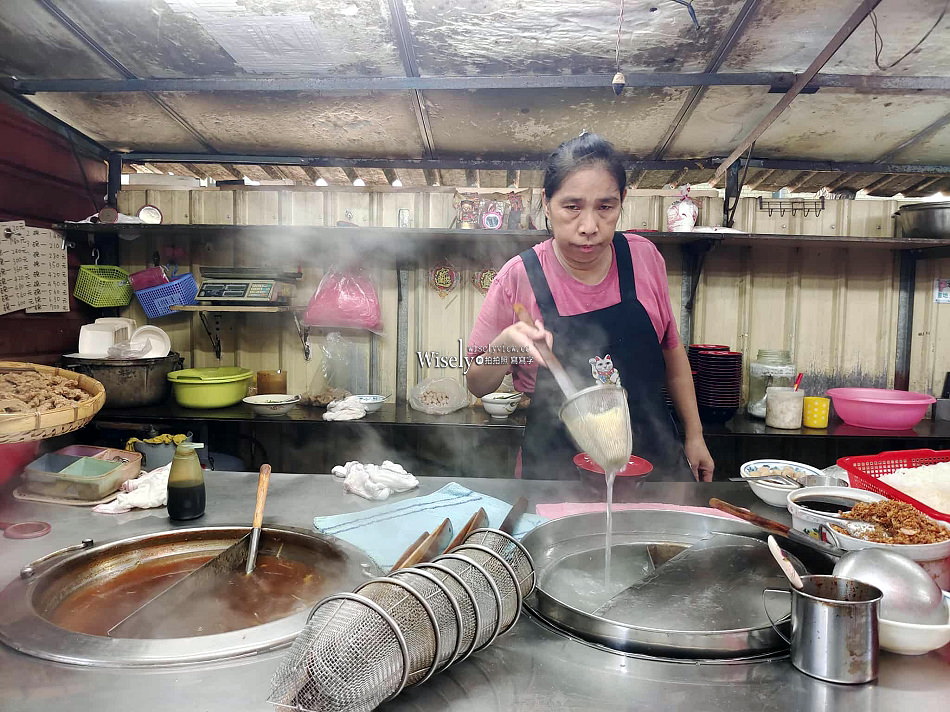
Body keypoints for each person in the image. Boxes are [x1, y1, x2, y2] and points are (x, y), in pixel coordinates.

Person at [465, 133, 714, 482]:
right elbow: (477, 385)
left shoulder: (644, 258)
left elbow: (672, 355)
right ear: (547, 203)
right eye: (572, 206)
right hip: (556, 470)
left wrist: (695, 435)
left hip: (652, 459)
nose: (589, 227)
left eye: (605, 206)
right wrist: (506, 342)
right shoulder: (518, 277)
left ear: (623, 200)